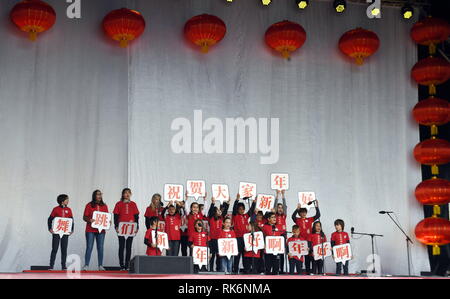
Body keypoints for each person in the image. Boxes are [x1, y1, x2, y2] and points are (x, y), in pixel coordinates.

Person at [113, 188, 140, 270]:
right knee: (121, 246)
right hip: (121, 227)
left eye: (129, 193)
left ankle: (127, 265)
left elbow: (136, 217)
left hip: (131, 228)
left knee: (129, 247)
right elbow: (116, 216)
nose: (127, 194)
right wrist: (116, 226)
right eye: (125, 193)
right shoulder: (118, 204)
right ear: (123, 194)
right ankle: (122, 265)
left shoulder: (133, 204)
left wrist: (137, 227)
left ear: (130, 194)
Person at [291, 200, 320, 274]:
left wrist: (316, 206)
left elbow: (318, 215)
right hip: (299, 240)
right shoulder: (297, 220)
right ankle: (299, 271)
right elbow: (292, 216)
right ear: (299, 213)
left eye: (304, 212)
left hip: (308, 240)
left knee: (308, 256)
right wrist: (297, 209)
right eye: (301, 212)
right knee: (299, 256)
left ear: (306, 213)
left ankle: (308, 272)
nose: (303, 213)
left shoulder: (310, 219)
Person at [82, 190, 109, 271]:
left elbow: (106, 216)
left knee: (100, 247)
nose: (100, 196)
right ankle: (86, 265)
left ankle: (100, 265)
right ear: (94, 196)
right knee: (89, 247)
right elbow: (84, 217)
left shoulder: (104, 206)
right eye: (98, 194)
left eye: (100, 194)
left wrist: (108, 221)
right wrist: (89, 220)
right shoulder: (89, 205)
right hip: (90, 230)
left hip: (101, 231)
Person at [48, 194, 73, 270]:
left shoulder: (69, 210)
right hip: (57, 232)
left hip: (65, 233)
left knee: (64, 249)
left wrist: (71, 230)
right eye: (67, 199)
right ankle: (51, 266)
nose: (68, 201)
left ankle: (63, 266)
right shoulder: (55, 209)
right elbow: (50, 219)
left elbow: (72, 220)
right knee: (55, 248)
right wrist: (50, 228)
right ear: (62, 201)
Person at [232, 193, 256, 274]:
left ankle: (247, 269)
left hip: (245, 238)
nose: (241, 210)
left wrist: (254, 202)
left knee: (245, 254)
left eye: (243, 209)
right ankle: (235, 269)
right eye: (240, 209)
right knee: (237, 255)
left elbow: (251, 210)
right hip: (238, 238)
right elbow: (234, 209)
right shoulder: (235, 216)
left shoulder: (246, 216)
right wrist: (237, 199)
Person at [207, 196, 230, 271]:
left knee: (219, 255)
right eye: (218, 211)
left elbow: (225, 210)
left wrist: (227, 203)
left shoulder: (221, 218)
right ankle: (210, 269)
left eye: (220, 211)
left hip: (220, 240)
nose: (220, 212)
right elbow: (210, 211)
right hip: (212, 239)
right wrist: (213, 203)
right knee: (212, 255)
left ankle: (218, 269)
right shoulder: (211, 218)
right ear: (215, 212)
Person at [275, 190, 288, 274]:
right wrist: (277, 195)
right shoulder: (274, 215)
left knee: (282, 253)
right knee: (276, 253)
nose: (280, 209)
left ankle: (281, 269)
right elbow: (273, 206)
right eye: (278, 208)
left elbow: (285, 206)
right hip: (276, 235)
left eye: (281, 208)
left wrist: (283, 195)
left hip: (283, 235)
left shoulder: (284, 215)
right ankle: (276, 269)